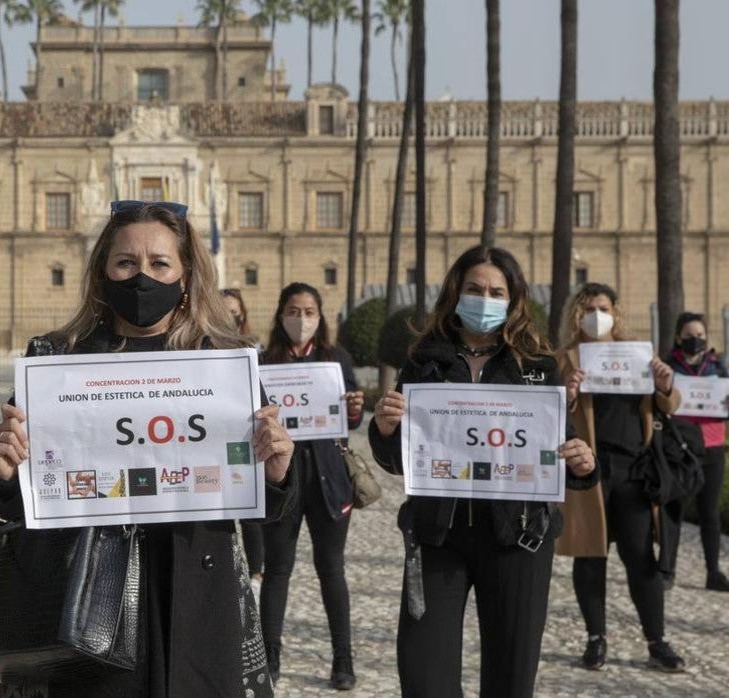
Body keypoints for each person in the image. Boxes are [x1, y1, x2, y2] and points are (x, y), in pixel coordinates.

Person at [0, 200, 297, 697]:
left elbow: (263, 506)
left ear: (186, 275)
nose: (142, 278)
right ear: (102, 273)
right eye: (126, 263)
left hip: (196, 592)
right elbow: (22, 497)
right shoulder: (56, 361)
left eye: (159, 263)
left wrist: (276, 472)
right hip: (90, 598)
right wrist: (4, 468)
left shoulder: (225, 368)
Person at [369, 245, 596, 697]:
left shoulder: (537, 365)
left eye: (496, 291)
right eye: (474, 288)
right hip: (438, 535)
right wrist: (384, 428)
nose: (484, 298)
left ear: (513, 300)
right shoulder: (424, 360)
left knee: (511, 681)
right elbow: (398, 460)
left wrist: (582, 464)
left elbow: (559, 453)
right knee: (424, 678)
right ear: (456, 292)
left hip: (519, 538)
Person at [557, 283, 686, 672]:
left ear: (616, 311)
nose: (596, 315)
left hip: (634, 470)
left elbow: (670, 403)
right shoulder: (567, 357)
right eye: (588, 309)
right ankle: (596, 639)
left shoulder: (639, 354)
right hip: (589, 471)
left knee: (640, 556)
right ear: (576, 315)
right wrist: (570, 392)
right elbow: (552, 407)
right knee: (590, 555)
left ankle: (656, 640)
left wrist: (665, 385)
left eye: (603, 307)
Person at [258, 282, 365, 690]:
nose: (300, 319)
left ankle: (343, 659)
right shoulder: (264, 361)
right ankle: (270, 657)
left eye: (308, 312)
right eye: (293, 310)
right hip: (281, 480)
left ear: (320, 318)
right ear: (280, 315)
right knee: (277, 570)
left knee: (331, 569)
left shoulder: (335, 360)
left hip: (327, 480)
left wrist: (354, 410)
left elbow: (349, 421)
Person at [665, 312, 729, 591]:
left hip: (712, 447)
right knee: (673, 509)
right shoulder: (668, 368)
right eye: (690, 336)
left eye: (700, 336)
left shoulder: (719, 369)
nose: (696, 341)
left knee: (709, 513)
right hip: (678, 447)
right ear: (679, 337)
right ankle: (667, 570)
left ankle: (713, 572)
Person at [221, 288, 266, 597]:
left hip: (243, 438)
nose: (230, 318)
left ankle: (256, 571)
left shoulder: (254, 351)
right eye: (224, 311)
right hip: (213, 441)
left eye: (235, 313)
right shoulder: (197, 350)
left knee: (250, 511)